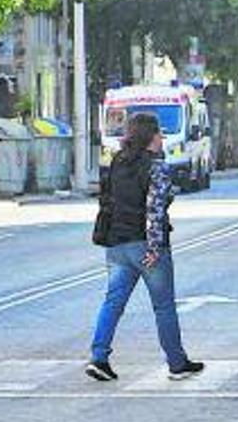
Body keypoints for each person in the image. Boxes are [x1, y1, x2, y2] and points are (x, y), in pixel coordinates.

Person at [86, 113, 204, 382]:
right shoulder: (157, 167)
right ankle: (176, 362)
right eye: (160, 134)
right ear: (150, 137)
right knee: (163, 306)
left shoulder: (117, 162)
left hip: (117, 244)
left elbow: (107, 201)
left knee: (113, 302)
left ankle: (99, 357)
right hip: (145, 244)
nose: (163, 138)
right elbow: (155, 209)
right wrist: (154, 247)